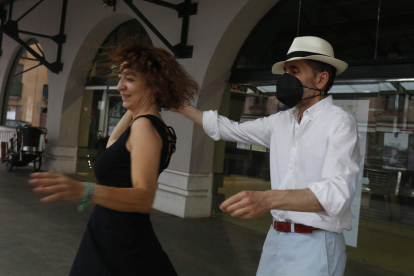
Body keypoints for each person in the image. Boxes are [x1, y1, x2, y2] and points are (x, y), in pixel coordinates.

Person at [174, 36, 361, 276]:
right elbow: (230, 129)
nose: (285, 79)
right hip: (276, 238)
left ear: (321, 78)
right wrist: (179, 105)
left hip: (316, 244)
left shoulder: (340, 123)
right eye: (285, 72)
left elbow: (336, 194)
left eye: (294, 71)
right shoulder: (280, 121)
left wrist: (269, 199)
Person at [29, 42, 199, 275]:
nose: (119, 86)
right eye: (120, 77)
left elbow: (143, 198)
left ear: (154, 85)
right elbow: (112, 146)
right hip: (109, 232)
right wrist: (137, 105)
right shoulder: (143, 123)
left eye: (129, 78)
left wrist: (85, 191)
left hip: (122, 241)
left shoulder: (145, 128)